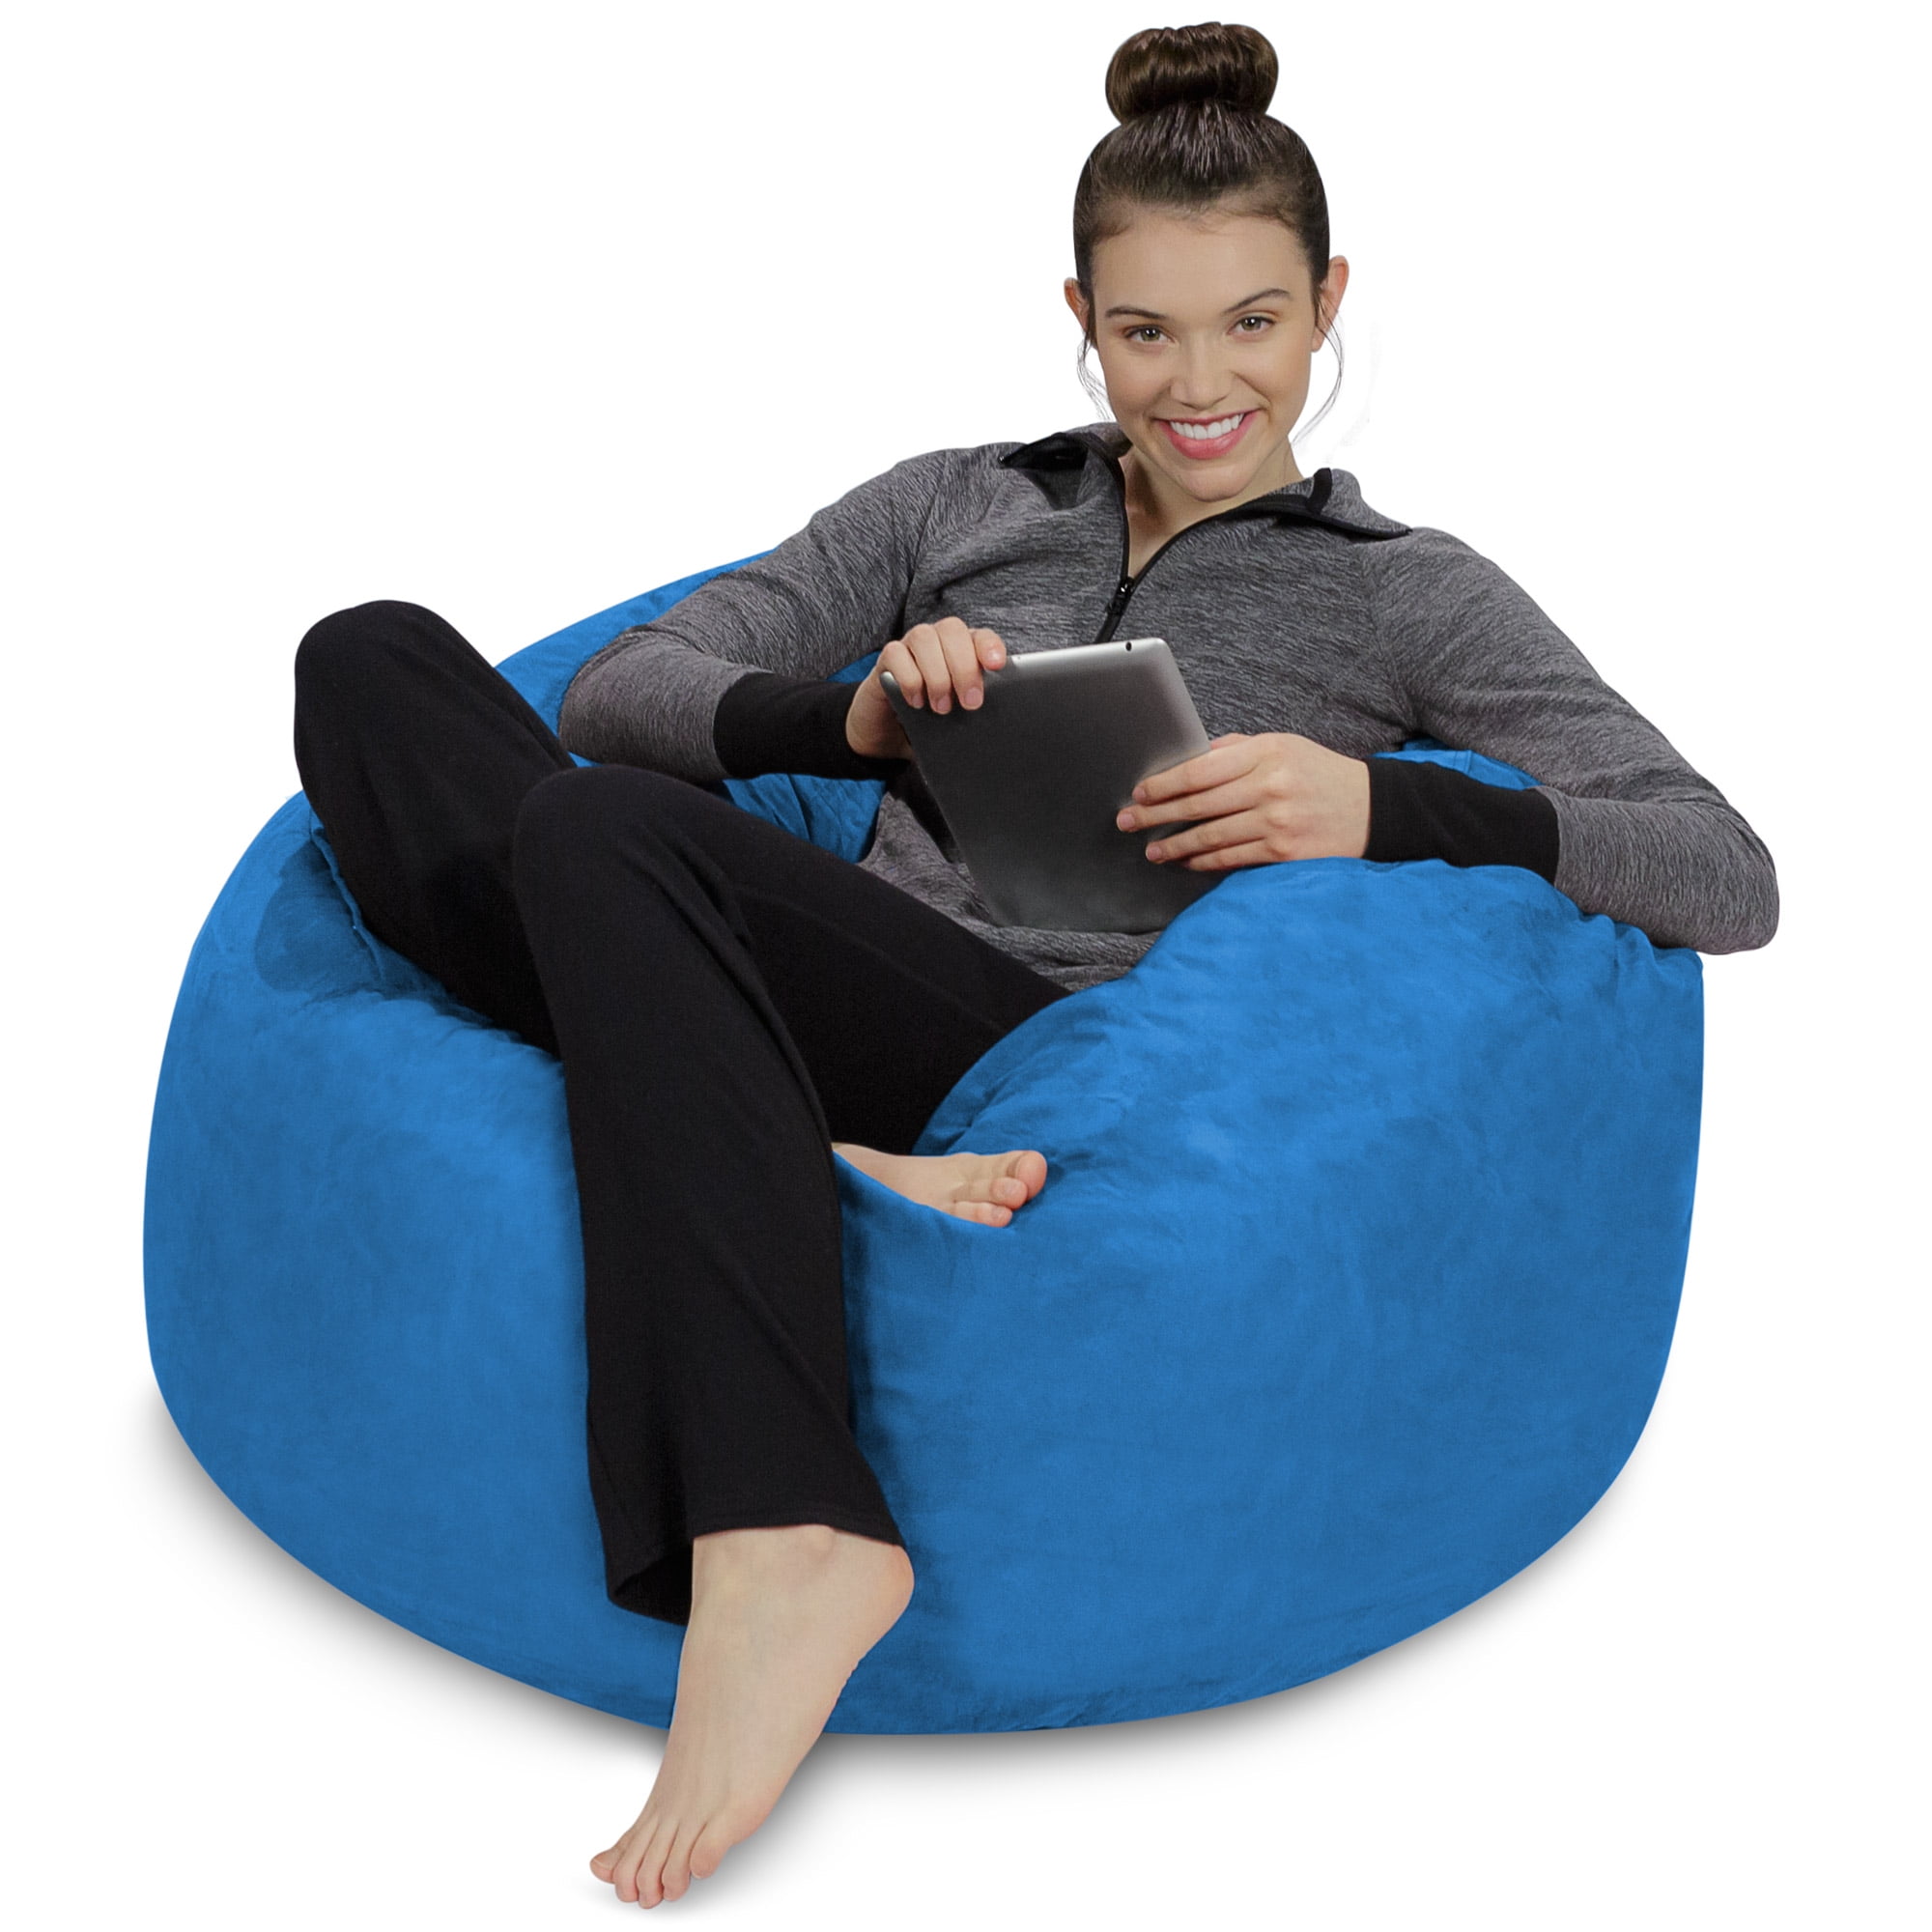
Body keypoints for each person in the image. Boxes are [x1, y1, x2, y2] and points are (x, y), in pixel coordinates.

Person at [291, 18, 1777, 1911]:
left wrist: (1377, 805)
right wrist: (854, 719)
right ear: (1079, 315)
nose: (1200, 385)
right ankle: (777, 1144)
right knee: (371, 661)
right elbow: (622, 688)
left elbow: (1722, 866)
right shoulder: (957, 503)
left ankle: (793, 1523)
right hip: (811, 963)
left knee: (598, 838)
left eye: (1253, 322)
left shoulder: (1405, 591)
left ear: (1329, 303)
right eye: (1146, 330)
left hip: (1032, 1059)